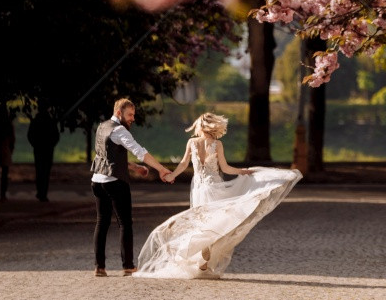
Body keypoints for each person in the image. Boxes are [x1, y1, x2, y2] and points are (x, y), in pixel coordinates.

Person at [133, 112, 302, 280]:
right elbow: (226, 168)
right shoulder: (217, 144)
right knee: (218, 221)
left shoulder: (192, 142)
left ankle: (203, 252)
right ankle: (207, 250)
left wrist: (171, 176)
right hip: (214, 187)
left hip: (199, 188)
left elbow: (184, 163)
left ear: (201, 126)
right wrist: (242, 172)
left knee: (201, 222)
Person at [91, 97, 171, 278]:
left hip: (97, 181)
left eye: (133, 115)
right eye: (130, 115)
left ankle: (99, 267)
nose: (132, 118)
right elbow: (139, 151)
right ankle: (128, 265)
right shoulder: (120, 130)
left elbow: (108, 157)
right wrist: (161, 169)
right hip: (115, 182)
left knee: (101, 222)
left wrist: (135, 168)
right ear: (119, 113)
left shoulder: (102, 127)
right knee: (125, 223)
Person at [27, 103, 60, 202]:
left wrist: (35, 144)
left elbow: (30, 135)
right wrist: (51, 145)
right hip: (48, 149)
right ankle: (43, 193)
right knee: (45, 172)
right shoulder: (50, 121)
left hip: (39, 149)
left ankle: (40, 192)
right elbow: (56, 136)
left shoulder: (36, 121)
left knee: (39, 171)